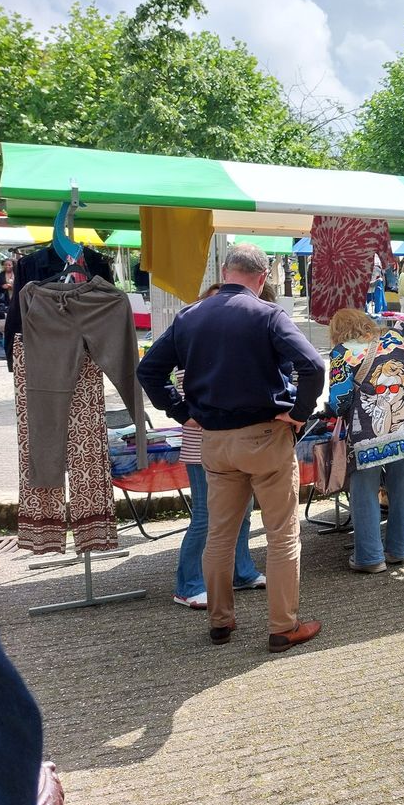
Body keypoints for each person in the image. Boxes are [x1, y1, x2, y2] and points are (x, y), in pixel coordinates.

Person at [138, 244, 325, 653]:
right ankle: (282, 627)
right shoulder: (268, 314)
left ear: (225, 272)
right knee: (281, 535)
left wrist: (182, 411)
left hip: (215, 441)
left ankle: (220, 622)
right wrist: (299, 412)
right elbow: (313, 365)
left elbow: (148, 369)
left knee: (219, 535)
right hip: (264, 437)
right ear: (262, 278)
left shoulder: (189, 316)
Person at [172, 283, 266, 609]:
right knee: (205, 516)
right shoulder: (192, 348)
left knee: (242, 514)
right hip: (202, 447)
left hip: (231, 444)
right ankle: (187, 584)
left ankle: (241, 571)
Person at [327, 309, 404, 573]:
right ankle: (397, 551)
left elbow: (339, 400)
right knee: (403, 490)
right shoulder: (395, 338)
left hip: (368, 436)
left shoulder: (341, 353)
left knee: (364, 493)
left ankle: (370, 558)